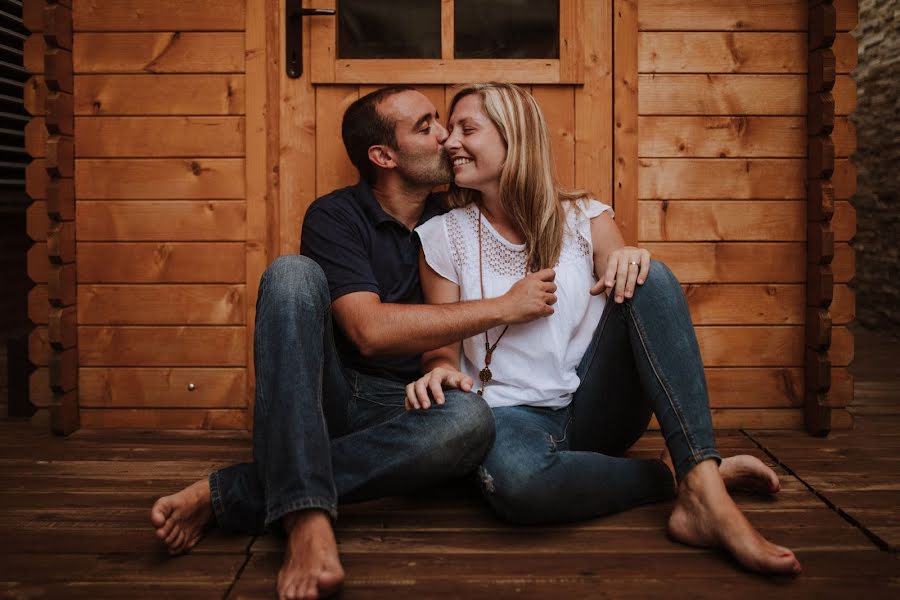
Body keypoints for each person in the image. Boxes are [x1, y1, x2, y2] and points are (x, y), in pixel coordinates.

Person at [149, 86, 562, 600]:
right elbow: (368, 333)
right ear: (384, 156)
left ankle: (236, 494)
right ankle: (306, 519)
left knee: (471, 420)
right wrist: (504, 306)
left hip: (412, 406)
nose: (446, 137)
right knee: (291, 274)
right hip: (332, 396)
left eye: (445, 122)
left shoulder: (460, 214)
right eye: (426, 126)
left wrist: (619, 248)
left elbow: (546, 203)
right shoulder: (334, 216)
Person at [406, 82, 802, 575]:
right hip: (508, 417)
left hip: (595, 401)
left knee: (649, 274)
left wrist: (627, 256)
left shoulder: (584, 217)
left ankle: (705, 489)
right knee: (520, 487)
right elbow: (440, 347)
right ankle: (685, 479)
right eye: (451, 130)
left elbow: (627, 278)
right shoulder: (444, 234)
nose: (450, 142)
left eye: (468, 129)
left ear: (517, 137)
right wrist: (441, 370)